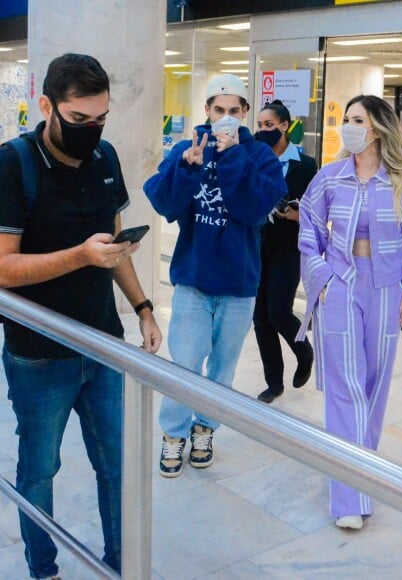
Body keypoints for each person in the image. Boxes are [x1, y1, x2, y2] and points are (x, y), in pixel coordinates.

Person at [0, 53, 162, 578]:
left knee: (116, 469)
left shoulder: (105, 156)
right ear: (46, 105)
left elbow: (112, 242)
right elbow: (2, 269)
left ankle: (120, 566)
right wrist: (79, 256)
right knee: (39, 471)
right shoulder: (12, 164)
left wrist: (142, 307)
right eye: (78, 120)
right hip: (39, 355)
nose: (91, 131)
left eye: (100, 119)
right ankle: (43, 569)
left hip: (102, 345)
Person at [297, 95, 402, 530]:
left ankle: (359, 475)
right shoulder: (330, 178)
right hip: (341, 282)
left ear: (378, 128)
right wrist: (322, 277)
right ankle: (348, 496)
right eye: (345, 119)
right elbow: (309, 230)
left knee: (374, 385)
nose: (348, 126)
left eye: (357, 120)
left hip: (387, 289)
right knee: (345, 384)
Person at [144, 74, 287, 477]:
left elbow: (253, 210)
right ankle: (174, 433)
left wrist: (234, 155)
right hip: (193, 278)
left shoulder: (259, 156)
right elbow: (162, 202)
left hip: (239, 284)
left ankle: (206, 426)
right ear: (206, 110)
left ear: (245, 114)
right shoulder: (188, 148)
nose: (225, 118)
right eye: (218, 110)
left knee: (222, 367)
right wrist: (188, 168)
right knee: (186, 363)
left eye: (234, 111)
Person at [253, 100, 317, 403]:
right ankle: (273, 381)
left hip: (289, 247)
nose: (263, 130)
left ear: (284, 126)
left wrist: (295, 213)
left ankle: (303, 351)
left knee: (277, 310)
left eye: (269, 125)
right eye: (260, 125)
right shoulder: (254, 159)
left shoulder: (306, 165)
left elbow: (317, 210)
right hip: (256, 245)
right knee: (259, 316)